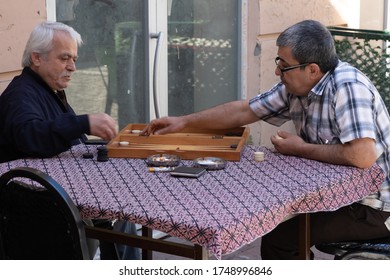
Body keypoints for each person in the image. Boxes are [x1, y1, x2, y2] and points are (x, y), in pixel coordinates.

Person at [141, 20, 390, 259]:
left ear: (312, 69)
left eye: (284, 65)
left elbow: (361, 155)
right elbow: (243, 111)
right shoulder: (297, 86)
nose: (277, 71)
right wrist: (184, 121)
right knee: (282, 221)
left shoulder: (348, 87)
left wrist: (301, 149)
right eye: (277, 62)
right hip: (338, 194)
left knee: (281, 238)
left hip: (374, 207)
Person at [0, 21, 139, 260]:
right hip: (35, 211)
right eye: (64, 58)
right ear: (36, 58)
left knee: (125, 213)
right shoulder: (21, 94)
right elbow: (31, 135)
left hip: (59, 198)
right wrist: (83, 123)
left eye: (74, 58)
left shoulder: (47, 89)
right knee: (121, 217)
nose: (73, 67)